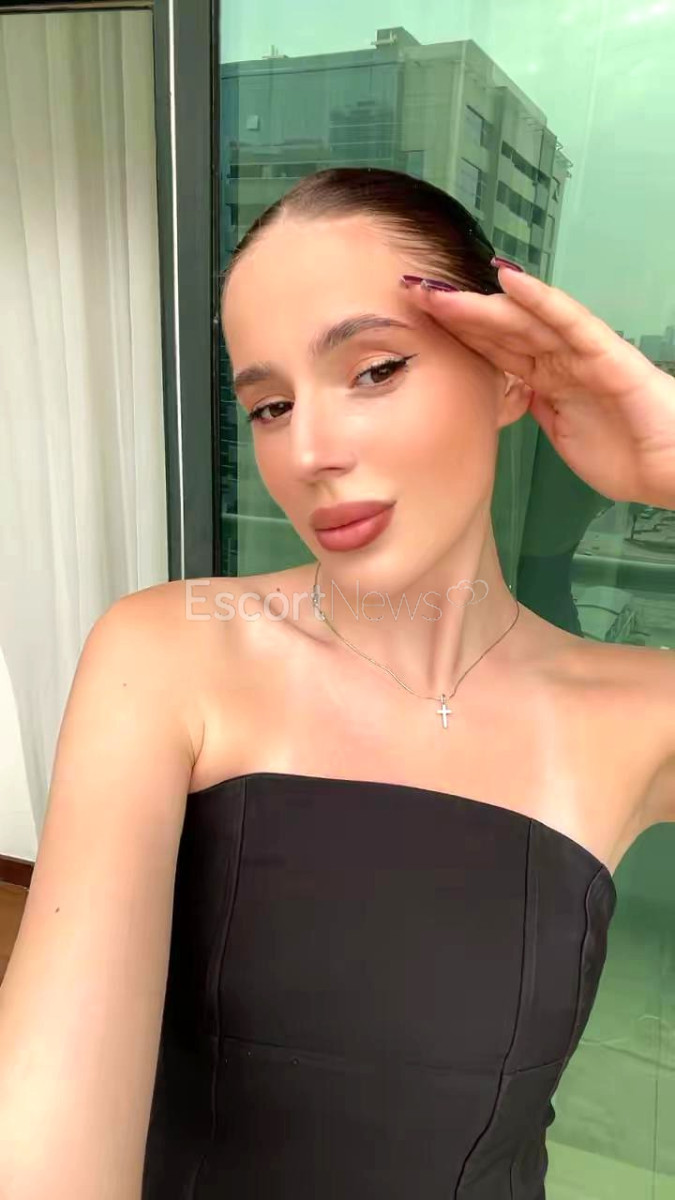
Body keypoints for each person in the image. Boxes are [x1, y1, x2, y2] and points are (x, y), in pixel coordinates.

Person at [1, 167, 674, 1199]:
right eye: (270, 406)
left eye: (373, 370)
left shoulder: (638, 709)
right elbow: (47, 1151)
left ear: (509, 372)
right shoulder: (169, 654)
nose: (308, 452)